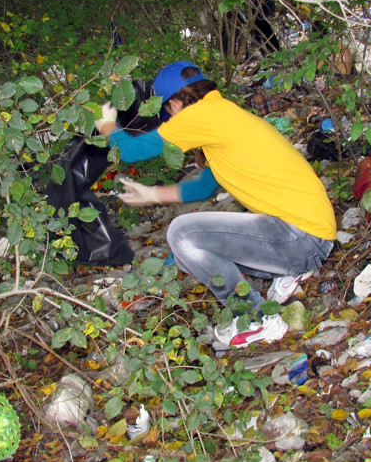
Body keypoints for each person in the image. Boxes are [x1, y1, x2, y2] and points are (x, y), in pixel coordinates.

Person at [94, 61, 336, 348]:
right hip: (309, 239)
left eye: (168, 111)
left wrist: (107, 124)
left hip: (302, 239)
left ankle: (256, 318)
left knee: (181, 233)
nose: (169, 118)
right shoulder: (223, 115)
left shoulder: (202, 115)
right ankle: (287, 273)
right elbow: (204, 186)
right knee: (185, 253)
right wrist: (152, 194)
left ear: (174, 102)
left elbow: (131, 150)